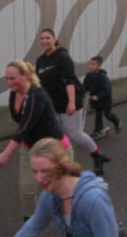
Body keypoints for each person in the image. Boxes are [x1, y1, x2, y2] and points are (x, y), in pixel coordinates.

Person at [0, 60, 72, 237]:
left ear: (25, 76)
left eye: (13, 78)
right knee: (27, 190)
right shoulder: (14, 93)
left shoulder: (37, 96)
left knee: (62, 192)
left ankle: (74, 227)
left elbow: (24, 127)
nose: (9, 82)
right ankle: (30, 235)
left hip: (55, 150)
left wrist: (5, 154)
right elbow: (21, 123)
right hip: (31, 148)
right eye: (6, 79)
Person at [36, 29, 110, 175]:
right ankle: (60, 165)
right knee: (53, 135)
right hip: (53, 105)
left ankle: (97, 156)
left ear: (54, 39)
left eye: (48, 38)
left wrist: (71, 103)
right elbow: (40, 84)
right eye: (42, 38)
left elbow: (69, 80)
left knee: (76, 134)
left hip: (69, 102)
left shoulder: (62, 57)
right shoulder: (41, 61)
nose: (44, 41)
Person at [83, 56, 121, 140]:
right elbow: (85, 87)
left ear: (99, 65)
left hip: (105, 101)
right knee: (98, 115)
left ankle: (117, 121)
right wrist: (80, 92)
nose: (91, 66)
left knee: (107, 114)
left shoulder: (103, 78)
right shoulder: (89, 76)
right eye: (90, 64)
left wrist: (98, 96)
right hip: (96, 101)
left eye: (93, 64)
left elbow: (107, 90)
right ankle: (98, 130)